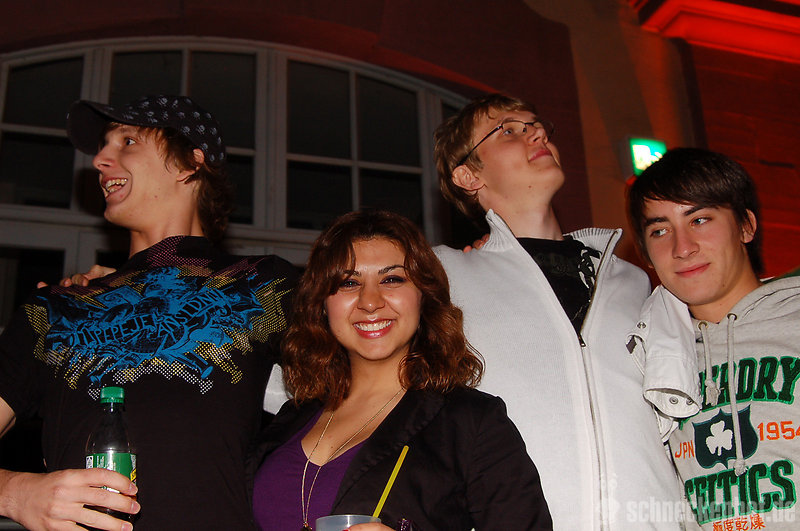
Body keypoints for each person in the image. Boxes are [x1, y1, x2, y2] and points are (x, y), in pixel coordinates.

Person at [0, 95, 297, 530]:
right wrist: (16, 492)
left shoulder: (262, 284)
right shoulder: (58, 308)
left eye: (128, 141)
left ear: (190, 163)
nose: (99, 160)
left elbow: (371, 397)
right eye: (103, 146)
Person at [432, 93, 683, 529]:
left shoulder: (633, 280)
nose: (537, 134)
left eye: (537, 125)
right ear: (469, 175)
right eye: (509, 130)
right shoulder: (443, 277)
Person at [250, 209, 552, 530]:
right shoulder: (290, 417)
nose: (370, 301)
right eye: (349, 282)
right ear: (322, 304)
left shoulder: (471, 423)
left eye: (392, 279)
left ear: (424, 296)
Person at [626, 147, 800, 529]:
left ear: (745, 226)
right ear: (647, 256)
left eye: (700, 219)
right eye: (660, 230)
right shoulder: (648, 356)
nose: (682, 248)